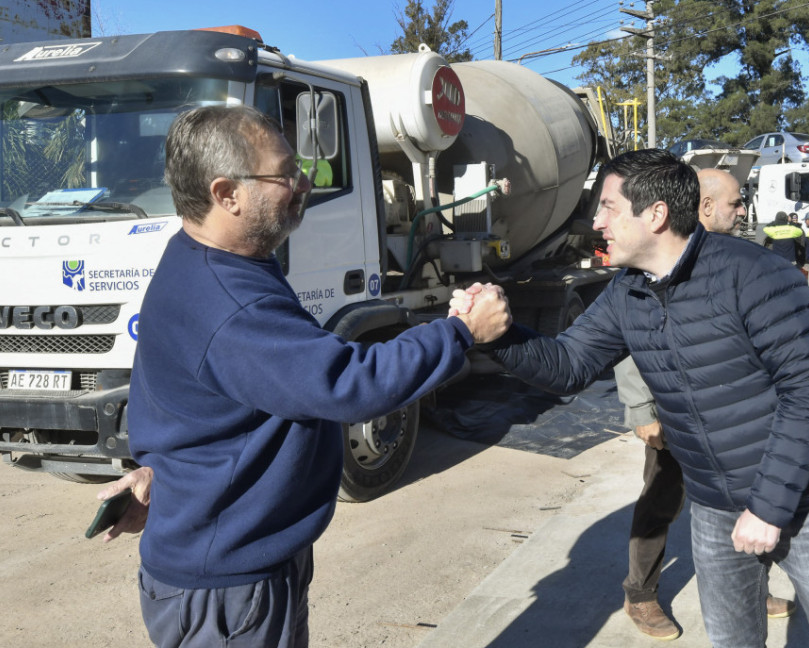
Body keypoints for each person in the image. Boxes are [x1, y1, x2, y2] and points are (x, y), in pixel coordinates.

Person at [106, 105, 511, 648]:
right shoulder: (228, 301)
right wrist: (459, 331)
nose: (304, 183)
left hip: (240, 556)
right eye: (284, 173)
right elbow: (349, 383)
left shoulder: (212, 260)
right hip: (230, 586)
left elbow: (181, 397)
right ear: (227, 194)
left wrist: (163, 471)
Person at [459, 149, 809, 647]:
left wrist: (769, 508)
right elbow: (570, 365)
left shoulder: (754, 274)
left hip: (805, 497)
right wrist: (497, 334)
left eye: (608, 208)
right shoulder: (628, 292)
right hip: (711, 502)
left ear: (656, 214)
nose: (597, 222)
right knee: (732, 640)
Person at [614, 167, 794, 640]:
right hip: (672, 417)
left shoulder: (733, 260)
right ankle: (641, 594)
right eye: (735, 204)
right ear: (706, 207)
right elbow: (628, 340)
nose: (742, 212)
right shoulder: (655, 260)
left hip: (729, 421)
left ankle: (749, 589)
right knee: (662, 500)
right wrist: (642, 411)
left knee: (742, 502)